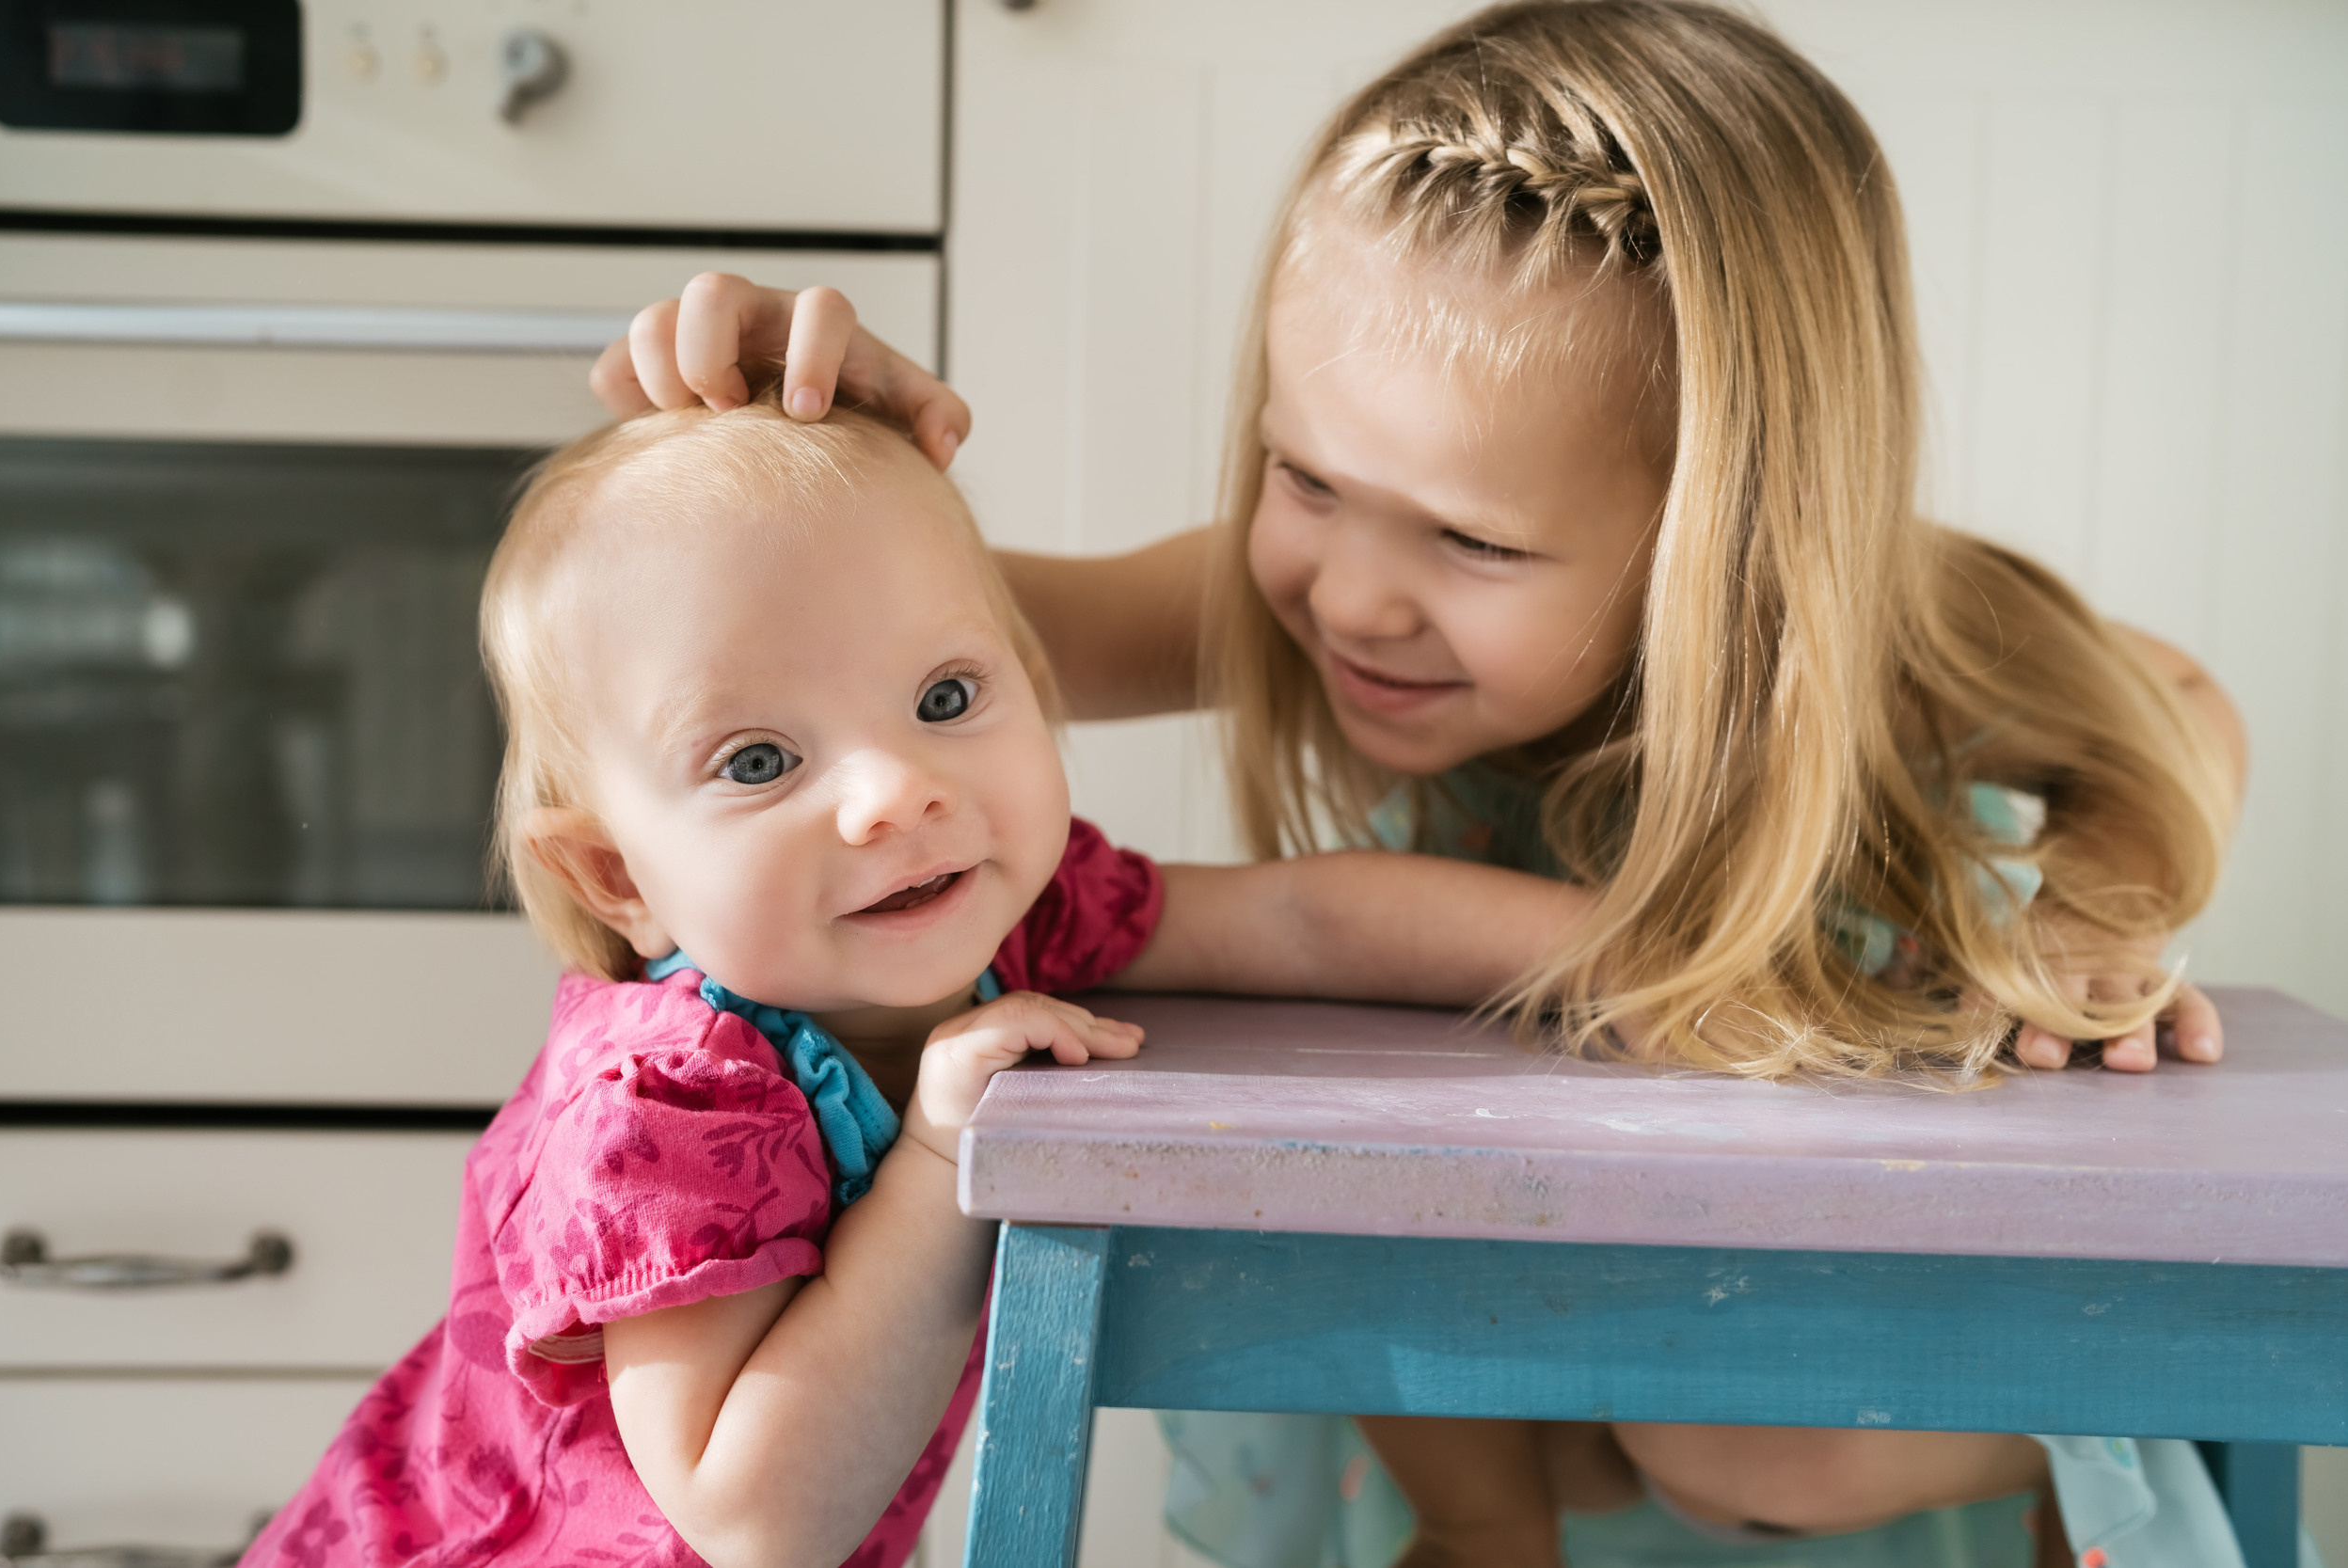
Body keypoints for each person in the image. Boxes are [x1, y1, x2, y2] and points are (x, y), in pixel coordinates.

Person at [589, 5, 2253, 1564]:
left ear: (1727, 543)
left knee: (1748, 1455)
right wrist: (775, 453)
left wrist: (2101, 918)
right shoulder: (1301, 594)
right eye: (1303, 478)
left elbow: (2173, 708)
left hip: (1819, 1359)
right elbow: (865, 665)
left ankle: (2150, 1384)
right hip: (1530, 1300)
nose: (1354, 597)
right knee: (1373, 1258)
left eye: (1472, 540)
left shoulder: (1876, 633)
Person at [238, 396, 1594, 1568]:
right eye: (761, 762)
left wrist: (1623, 958)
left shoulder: (999, 910)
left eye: (946, 699)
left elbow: (1294, 921)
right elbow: (756, 1521)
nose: (897, 792)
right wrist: (945, 1148)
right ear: (617, 877)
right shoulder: (661, 1106)